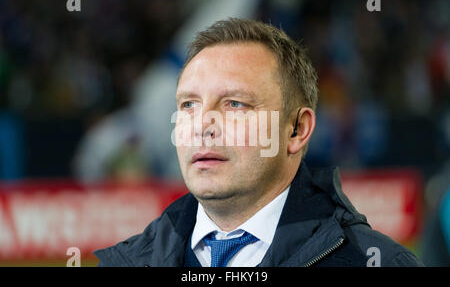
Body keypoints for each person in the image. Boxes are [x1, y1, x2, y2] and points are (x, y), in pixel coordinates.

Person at [94, 18, 424, 267]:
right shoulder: (126, 262)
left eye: (235, 104)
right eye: (188, 105)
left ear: (296, 130)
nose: (202, 126)